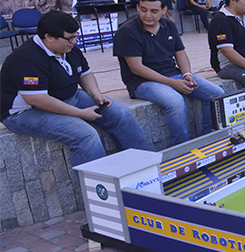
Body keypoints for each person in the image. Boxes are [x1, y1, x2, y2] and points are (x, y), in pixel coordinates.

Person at [1, 11, 150, 167]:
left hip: (68, 96)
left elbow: (85, 74)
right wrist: (79, 113)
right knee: (85, 135)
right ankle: (99, 188)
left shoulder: (68, 48)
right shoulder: (28, 58)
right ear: (49, 37)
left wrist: (96, 94)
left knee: (121, 113)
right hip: (26, 111)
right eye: (70, 38)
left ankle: (143, 167)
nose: (74, 41)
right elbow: (37, 99)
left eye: (76, 36)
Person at [113, 0, 224, 145]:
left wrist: (186, 73)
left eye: (154, 11)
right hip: (141, 82)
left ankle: (207, 139)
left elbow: (180, 53)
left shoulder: (169, 25)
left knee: (217, 94)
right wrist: (172, 83)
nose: (147, 15)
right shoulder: (127, 31)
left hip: (173, 74)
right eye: (143, 9)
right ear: (137, 7)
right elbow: (136, 68)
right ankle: (182, 148)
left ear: (164, 10)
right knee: (175, 101)